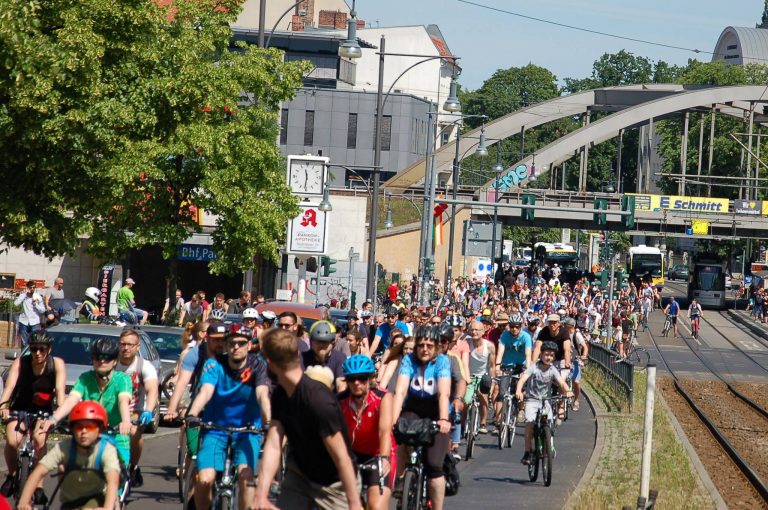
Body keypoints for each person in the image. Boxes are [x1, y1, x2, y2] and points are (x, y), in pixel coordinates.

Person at [252, 328, 361, 510]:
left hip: (334, 483)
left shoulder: (318, 401)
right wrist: (261, 495)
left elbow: (342, 457)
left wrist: (354, 504)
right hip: (300, 475)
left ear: (270, 363)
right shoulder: (280, 394)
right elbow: (273, 444)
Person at [187, 324, 270, 510]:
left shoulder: (258, 365)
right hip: (215, 429)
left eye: (241, 343)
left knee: (246, 477)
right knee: (205, 480)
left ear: (249, 345)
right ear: (226, 345)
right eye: (232, 343)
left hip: (248, 431)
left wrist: (268, 421)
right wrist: (193, 413)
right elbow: (206, 391)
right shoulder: (214, 364)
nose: (236, 347)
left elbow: (262, 395)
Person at [0, 332, 66, 502]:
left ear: (49, 349)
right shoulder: (20, 363)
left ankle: (38, 485)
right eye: (34, 349)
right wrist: (4, 406)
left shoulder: (56, 364)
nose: (37, 353)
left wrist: (59, 411)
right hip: (20, 408)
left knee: (39, 440)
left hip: (44, 410)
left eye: (42, 349)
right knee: (13, 441)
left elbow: (60, 391)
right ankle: (13, 475)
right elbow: (9, 387)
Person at [17, 402, 121, 510]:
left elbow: (113, 481)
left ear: (100, 431)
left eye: (89, 427)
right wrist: (24, 501)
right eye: (79, 427)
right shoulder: (64, 447)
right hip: (71, 502)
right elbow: (38, 472)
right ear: (72, 429)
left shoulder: (106, 450)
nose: (84, 431)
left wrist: (108, 508)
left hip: (99, 499)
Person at [391, 325, 451, 510]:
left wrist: (443, 420)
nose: (425, 349)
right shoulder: (409, 360)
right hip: (414, 408)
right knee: (401, 431)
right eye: (421, 345)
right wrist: (393, 421)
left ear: (436, 347)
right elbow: (400, 392)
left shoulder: (442, 362)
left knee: (434, 466)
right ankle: (402, 478)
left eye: (429, 345)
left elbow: (443, 394)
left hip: (436, 412)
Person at [47, 338, 133, 465]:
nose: (102, 361)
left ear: (115, 361)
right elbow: (71, 400)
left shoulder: (123, 379)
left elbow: (123, 401)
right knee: (67, 467)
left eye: (107, 357)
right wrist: (53, 419)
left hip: (116, 435)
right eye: (98, 357)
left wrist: (126, 421)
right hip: (89, 434)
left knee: (118, 474)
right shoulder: (85, 378)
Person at [337, 355, 394, 510]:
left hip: (378, 454)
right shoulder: (339, 401)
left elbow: (384, 431)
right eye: (351, 379)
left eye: (361, 378)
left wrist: (384, 458)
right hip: (352, 454)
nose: (356, 383)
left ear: (370, 378)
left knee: (375, 506)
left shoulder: (382, 398)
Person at [515, 341, 573, 466]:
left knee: (549, 423)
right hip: (532, 399)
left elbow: (561, 382)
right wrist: (519, 391)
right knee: (530, 424)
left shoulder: (552, 369)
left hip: (546, 400)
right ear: (541, 355)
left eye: (551, 355)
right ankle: (527, 452)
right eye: (546, 354)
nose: (549, 357)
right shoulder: (534, 367)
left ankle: (548, 444)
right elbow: (523, 379)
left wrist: (568, 391)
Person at [116, 328, 158, 487]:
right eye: (122, 344)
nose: (125, 348)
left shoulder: (144, 366)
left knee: (134, 432)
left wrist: (148, 410)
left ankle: (133, 466)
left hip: (135, 411)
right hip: (112, 411)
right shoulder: (111, 363)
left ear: (137, 347)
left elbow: (152, 389)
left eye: (130, 345)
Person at [494, 314, 532, 423]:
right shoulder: (505, 336)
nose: (514, 329)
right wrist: (497, 366)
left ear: (521, 326)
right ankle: (498, 418)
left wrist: (527, 369)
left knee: (519, 390)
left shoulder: (526, 337)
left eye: (517, 326)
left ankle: (521, 408)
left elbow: (528, 354)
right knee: (502, 392)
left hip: (521, 365)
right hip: (507, 365)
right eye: (512, 326)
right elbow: (500, 351)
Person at [463, 320, 496, 434]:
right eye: (472, 329)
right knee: (466, 401)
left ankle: (483, 423)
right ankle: (462, 425)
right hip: (469, 376)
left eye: (477, 330)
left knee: (483, 396)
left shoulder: (490, 346)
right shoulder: (466, 343)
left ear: (483, 331)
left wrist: (492, 382)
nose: (474, 332)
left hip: (483, 377)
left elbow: (491, 366)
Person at [301, 321, 348, 393]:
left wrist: (341, 391)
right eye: (317, 341)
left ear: (332, 343)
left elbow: (341, 382)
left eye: (325, 342)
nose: (321, 345)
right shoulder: (302, 358)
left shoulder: (340, 358)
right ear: (311, 342)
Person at [14, 280, 45, 347]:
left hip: (35, 321)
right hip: (24, 320)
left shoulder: (38, 297)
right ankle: (24, 355)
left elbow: (43, 310)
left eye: (34, 287)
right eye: (30, 287)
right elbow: (15, 304)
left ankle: (32, 355)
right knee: (24, 341)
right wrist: (24, 296)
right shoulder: (23, 295)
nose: (32, 289)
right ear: (27, 288)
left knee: (34, 340)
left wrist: (36, 305)